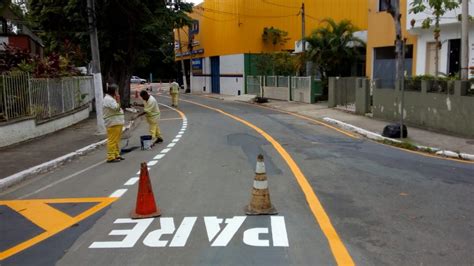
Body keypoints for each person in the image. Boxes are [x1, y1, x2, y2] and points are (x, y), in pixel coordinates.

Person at [103, 84, 125, 163]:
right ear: (114, 91)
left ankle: (116, 154)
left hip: (116, 122)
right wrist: (118, 99)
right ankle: (111, 156)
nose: (117, 92)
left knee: (116, 140)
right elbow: (116, 108)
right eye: (117, 91)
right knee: (112, 140)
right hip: (113, 122)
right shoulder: (108, 99)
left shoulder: (111, 99)